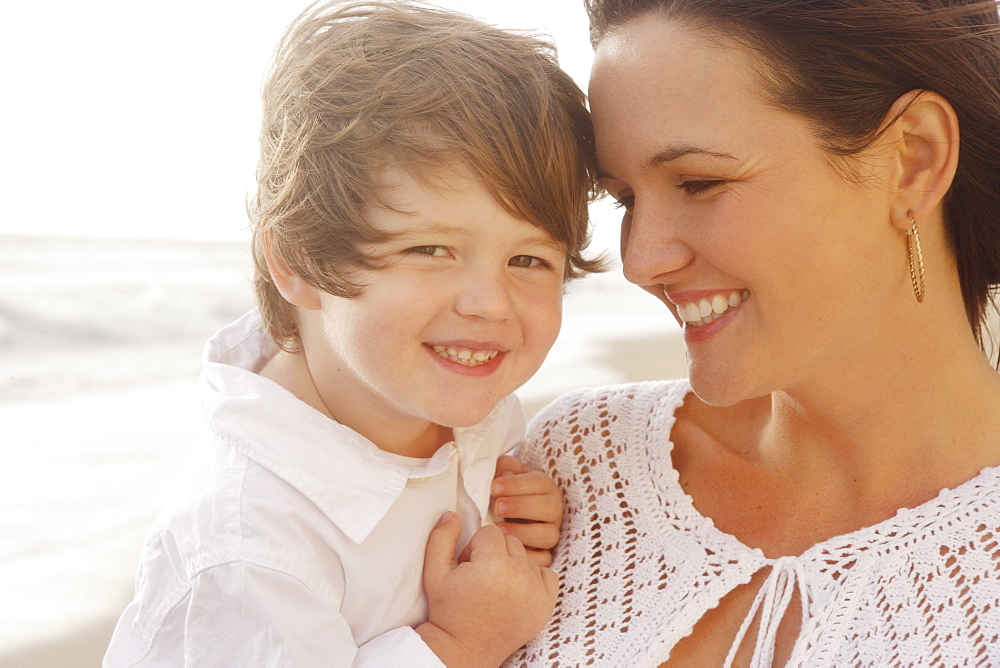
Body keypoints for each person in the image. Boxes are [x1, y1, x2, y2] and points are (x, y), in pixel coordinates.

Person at [104, 1, 604, 665]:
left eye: (529, 260)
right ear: (299, 263)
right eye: (430, 250)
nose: (491, 304)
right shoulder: (249, 550)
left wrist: (517, 517)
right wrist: (461, 643)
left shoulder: (457, 404)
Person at [507, 0, 1000, 666]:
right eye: (624, 199)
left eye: (700, 182)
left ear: (913, 159)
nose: (641, 260)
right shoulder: (573, 471)